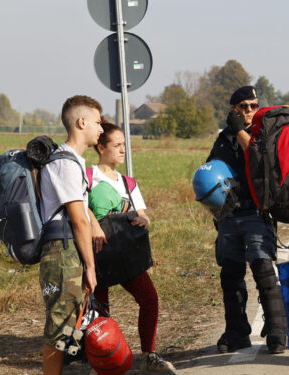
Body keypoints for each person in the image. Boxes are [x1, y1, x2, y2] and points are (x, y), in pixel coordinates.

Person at [87, 120, 176, 374]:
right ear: (101, 147)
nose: (123, 150)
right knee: (100, 312)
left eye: (124, 145)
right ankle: (100, 362)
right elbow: (79, 208)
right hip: (99, 255)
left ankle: (149, 355)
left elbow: (144, 215)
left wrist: (144, 219)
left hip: (127, 255)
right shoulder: (89, 177)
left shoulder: (129, 182)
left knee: (150, 299)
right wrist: (94, 224)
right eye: (117, 145)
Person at [206, 86, 287, 354]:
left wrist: (241, 131)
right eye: (244, 106)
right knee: (230, 275)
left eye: (254, 105)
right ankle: (237, 331)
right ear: (233, 109)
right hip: (229, 215)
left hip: (255, 212)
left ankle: (277, 331)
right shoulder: (223, 138)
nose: (250, 111)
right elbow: (211, 172)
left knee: (263, 268)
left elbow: (258, 158)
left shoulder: (261, 132)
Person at [38, 95, 102, 375]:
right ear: (81, 122)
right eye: (98, 122)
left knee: (73, 324)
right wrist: (90, 267)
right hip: (63, 254)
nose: (101, 129)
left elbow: (84, 214)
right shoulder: (64, 163)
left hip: (67, 251)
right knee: (60, 326)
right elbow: (78, 220)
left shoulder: (72, 161)